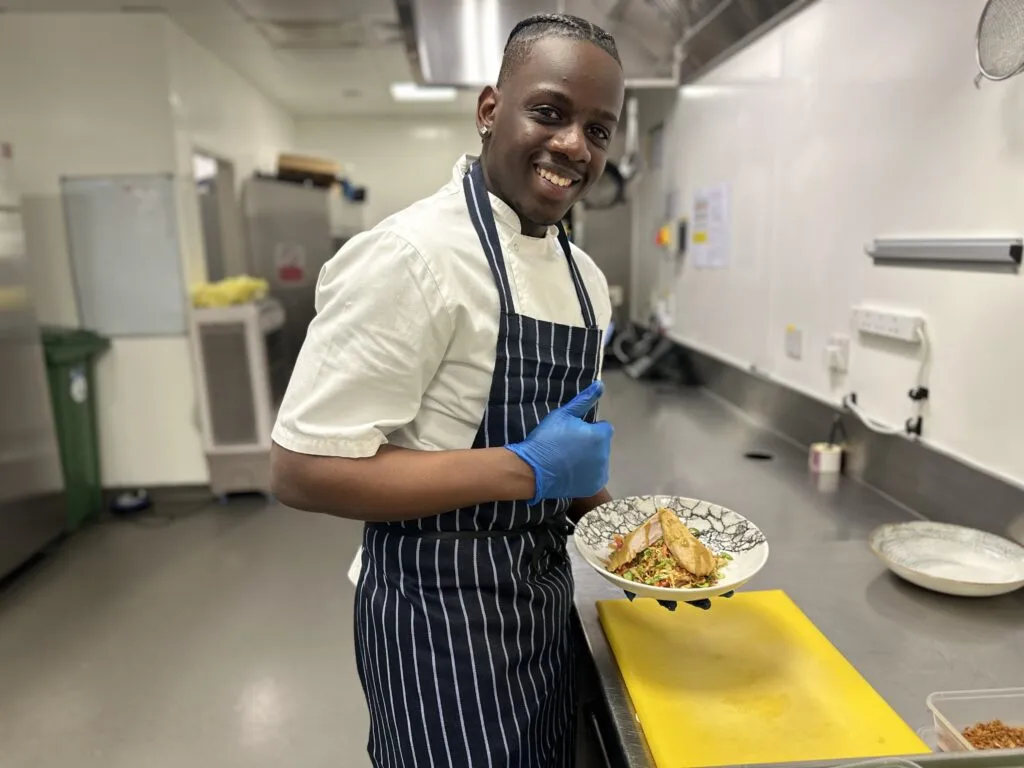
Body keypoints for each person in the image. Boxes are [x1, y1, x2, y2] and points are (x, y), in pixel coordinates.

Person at [271, 13, 624, 767]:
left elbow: (569, 454)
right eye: (552, 112)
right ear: (491, 110)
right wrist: (525, 470)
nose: (573, 146)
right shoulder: (410, 257)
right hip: (434, 618)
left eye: (599, 130)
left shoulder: (586, 281)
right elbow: (301, 470)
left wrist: (633, 538)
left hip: (539, 598)